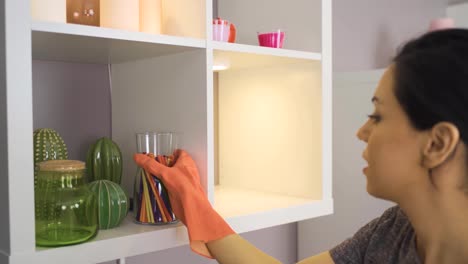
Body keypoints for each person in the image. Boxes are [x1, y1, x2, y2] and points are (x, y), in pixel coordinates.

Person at [134, 28, 468, 264]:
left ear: (437, 143)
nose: (362, 132)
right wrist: (197, 205)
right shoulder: (395, 230)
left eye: (377, 116)